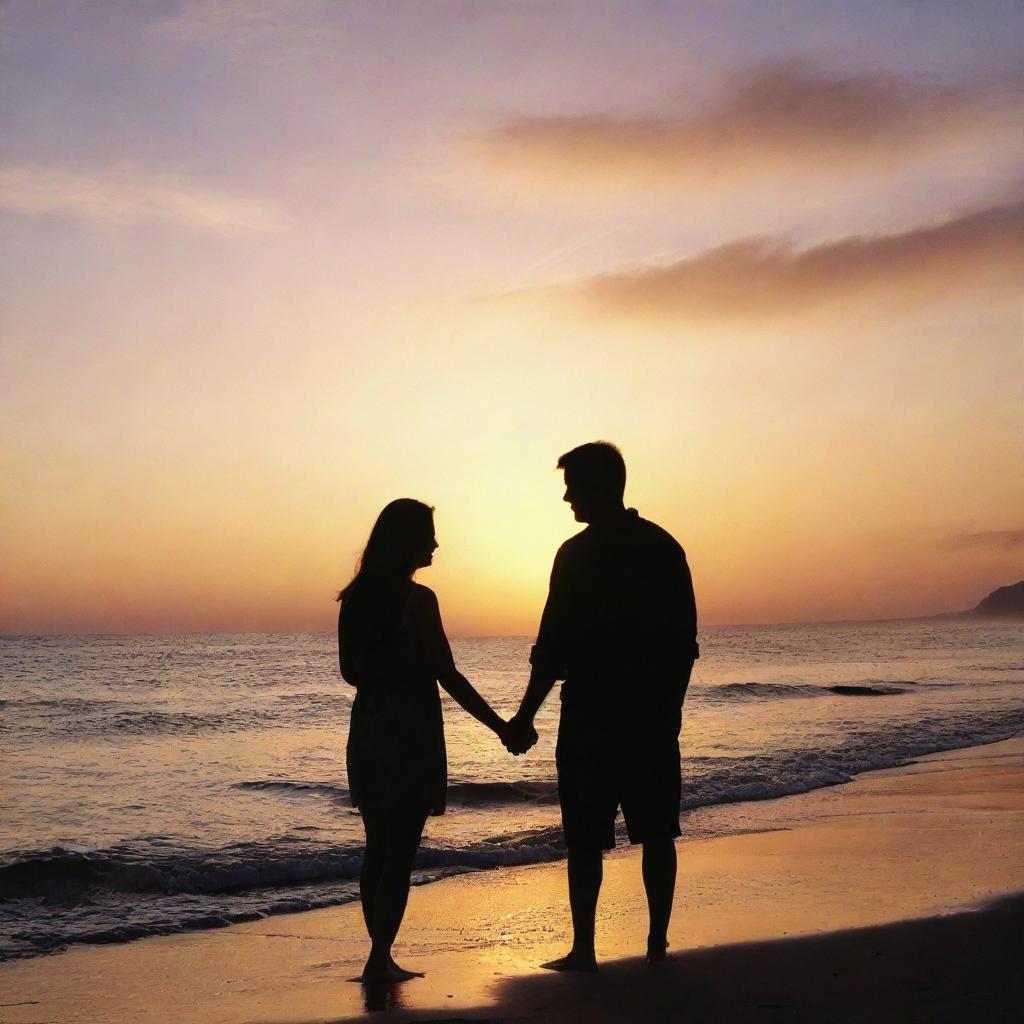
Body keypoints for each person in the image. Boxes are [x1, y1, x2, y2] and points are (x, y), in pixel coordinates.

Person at [504, 442, 698, 971]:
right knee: (655, 832)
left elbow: (551, 651)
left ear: (600, 486)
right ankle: (654, 944)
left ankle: (586, 948)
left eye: (573, 486)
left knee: (589, 839)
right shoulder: (662, 547)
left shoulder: (577, 555)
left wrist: (524, 718)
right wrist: (670, 712)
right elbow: (685, 646)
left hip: (593, 719)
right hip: (646, 719)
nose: (566, 497)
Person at [337, 498, 519, 984]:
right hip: (412, 731)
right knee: (399, 854)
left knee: (377, 846)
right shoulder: (419, 600)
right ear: (407, 541)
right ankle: (380, 957)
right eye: (429, 534)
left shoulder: (355, 597)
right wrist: (501, 726)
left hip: (371, 728)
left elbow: (350, 671)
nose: (436, 543)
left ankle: (379, 954)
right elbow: (447, 675)